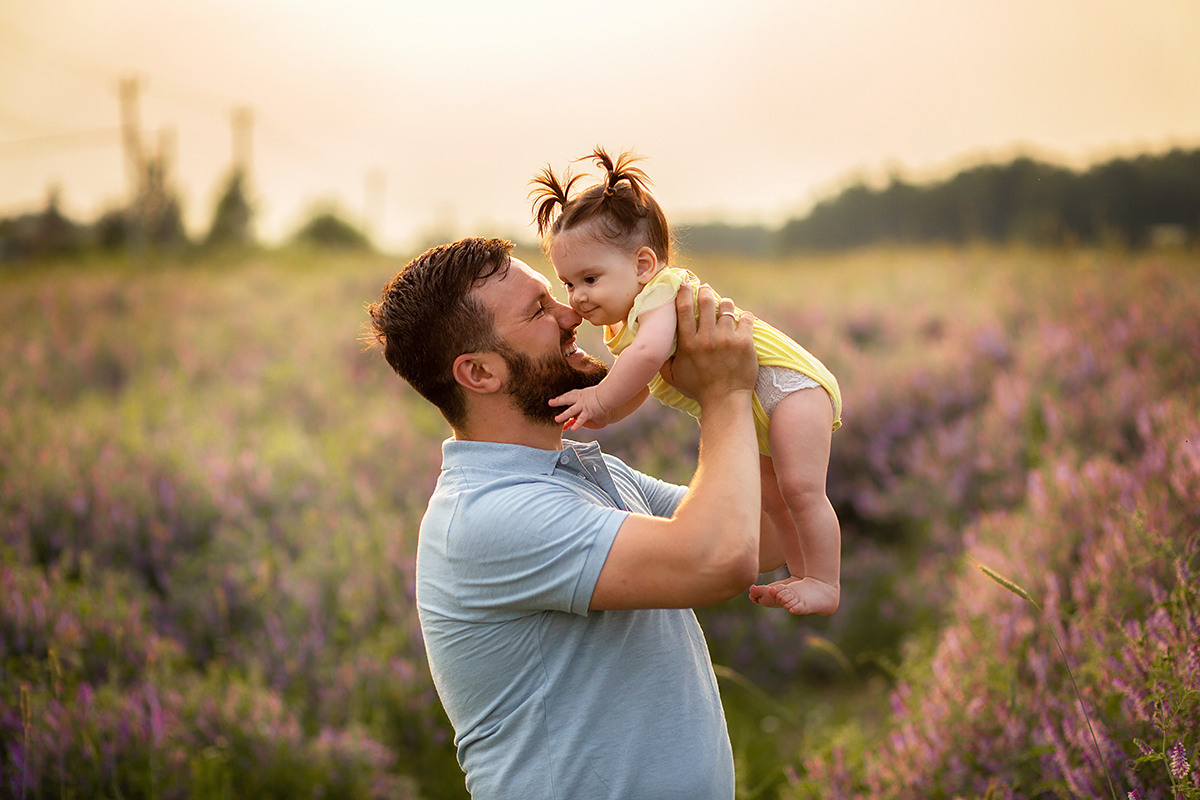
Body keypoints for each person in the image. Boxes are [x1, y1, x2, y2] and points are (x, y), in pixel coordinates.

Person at [365, 236, 779, 799]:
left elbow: (769, 537)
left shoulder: (583, 470)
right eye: (539, 311)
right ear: (480, 373)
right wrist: (724, 393)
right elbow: (721, 560)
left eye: (553, 294)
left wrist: (770, 400)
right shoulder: (490, 515)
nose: (572, 313)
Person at [530, 147, 844, 616]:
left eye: (590, 278)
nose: (577, 298)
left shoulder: (659, 294)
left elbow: (651, 356)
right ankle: (801, 572)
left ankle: (825, 580)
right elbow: (643, 382)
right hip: (751, 401)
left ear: (641, 265)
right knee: (775, 499)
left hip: (788, 386)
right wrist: (609, 410)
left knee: (800, 488)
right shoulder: (624, 326)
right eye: (568, 283)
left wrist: (599, 396)